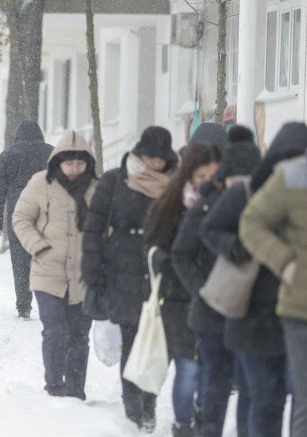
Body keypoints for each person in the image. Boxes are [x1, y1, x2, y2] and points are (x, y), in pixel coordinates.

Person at [82, 126, 178, 432]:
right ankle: (135, 407)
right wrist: (92, 271)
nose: (153, 165)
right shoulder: (115, 180)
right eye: (148, 157)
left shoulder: (177, 184)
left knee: (160, 345)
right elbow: (94, 229)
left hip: (162, 273)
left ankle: (149, 399)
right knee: (134, 340)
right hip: (122, 270)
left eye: (159, 159)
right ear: (139, 153)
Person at [171, 125, 261, 437]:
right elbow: (181, 254)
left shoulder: (267, 209)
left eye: (248, 177)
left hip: (253, 315)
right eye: (235, 178)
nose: (241, 184)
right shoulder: (207, 206)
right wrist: (203, 290)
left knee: (250, 386)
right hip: (210, 314)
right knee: (216, 382)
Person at [143, 142, 222, 437]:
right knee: (188, 366)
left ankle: (203, 413)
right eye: (202, 175)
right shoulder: (172, 203)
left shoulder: (229, 202)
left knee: (209, 366)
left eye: (213, 175)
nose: (208, 182)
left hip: (216, 298)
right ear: (190, 175)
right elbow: (151, 244)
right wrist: (172, 262)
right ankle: (183, 425)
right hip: (176, 298)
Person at [12, 129, 98, 400]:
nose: (74, 168)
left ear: (88, 162)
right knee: (55, 329)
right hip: (47, 271)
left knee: (79, 335)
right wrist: (38, 247)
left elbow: (107, 226)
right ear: (58, 161)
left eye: (79, 162)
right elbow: (21, 218)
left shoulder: (97, 187)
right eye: (68, 162)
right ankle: (54, 384)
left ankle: (75, 389)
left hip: (83, 274)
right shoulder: (41, 183)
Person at [239, 122, 307, 437]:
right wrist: (285, 262)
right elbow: (250, 222)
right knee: (289, 400)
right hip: (298, 308)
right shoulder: (293, 176)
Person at [0, 119, 54, 319]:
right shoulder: (51, 152)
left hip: (19, 212)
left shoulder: (7, 155)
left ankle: (24, 307)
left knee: (20, 260)